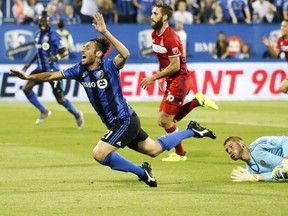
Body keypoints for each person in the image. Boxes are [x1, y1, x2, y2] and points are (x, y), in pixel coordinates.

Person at [10, 13, 217, 187]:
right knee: (153, 150)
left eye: (88, 48)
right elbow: (50, 75)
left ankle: (142, 173)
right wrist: (29, 77)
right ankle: (192, 130)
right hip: (120, 122)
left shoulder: (109, 66)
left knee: (99, 154)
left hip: (124, 120)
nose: (83, 50)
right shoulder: (79, 70)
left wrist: (105, 32)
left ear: (98, 54)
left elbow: (125, 53)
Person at [141, 1, 219, 162]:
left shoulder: (171, 38)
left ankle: (181, 153)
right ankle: (197, 101)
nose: (151, 16)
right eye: (152, 13)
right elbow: (162, 59)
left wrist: (153, 78)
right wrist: (160, 75)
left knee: (165, 120)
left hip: (180, 80)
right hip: (170, 79)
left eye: (155, 14)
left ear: (164, 17)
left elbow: (175, 66)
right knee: (163, 121)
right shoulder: (155, 34)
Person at [20, 10, 84, 128]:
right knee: (26, 88)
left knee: (60, 100)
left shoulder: (54, 36)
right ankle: (44, 111)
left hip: (52, 72)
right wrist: (29, 64)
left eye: (45, 22)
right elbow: (38, 52)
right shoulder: (37, 35)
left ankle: (77, 115)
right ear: (39, 23)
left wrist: (56, 57)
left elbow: (64, 52)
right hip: (39, 70)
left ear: (48, 23)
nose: (43, 24)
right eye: (41, 22)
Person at [224, 136, 288, 182]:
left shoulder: (259, 145)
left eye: (231, 146)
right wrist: (252, 177)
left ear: (241, 143)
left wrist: (286, 160)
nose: (229, 151)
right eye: (227, 150)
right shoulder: (250, 171)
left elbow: (285, 140)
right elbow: (277, 176)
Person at [262, 19, 288, 94]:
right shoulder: (281, 40)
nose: (282, 28)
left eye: (285, 26)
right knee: (282, 88)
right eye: (281, 26)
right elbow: (275, 55)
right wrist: (269, 46)